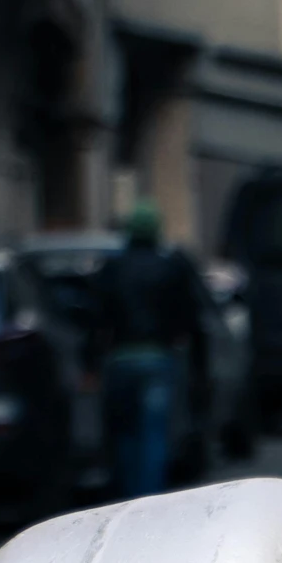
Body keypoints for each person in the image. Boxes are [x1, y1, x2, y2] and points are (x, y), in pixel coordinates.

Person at [93, 199, 208, 498]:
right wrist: (198, 363)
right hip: (158, 359)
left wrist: (89, 362)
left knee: (125, 435)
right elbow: (192, 317)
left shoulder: (112, 269)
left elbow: (95, 317)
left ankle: (128, 497)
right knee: (153, 435)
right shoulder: (170, 268)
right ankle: (149, 498)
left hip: (120, 360)